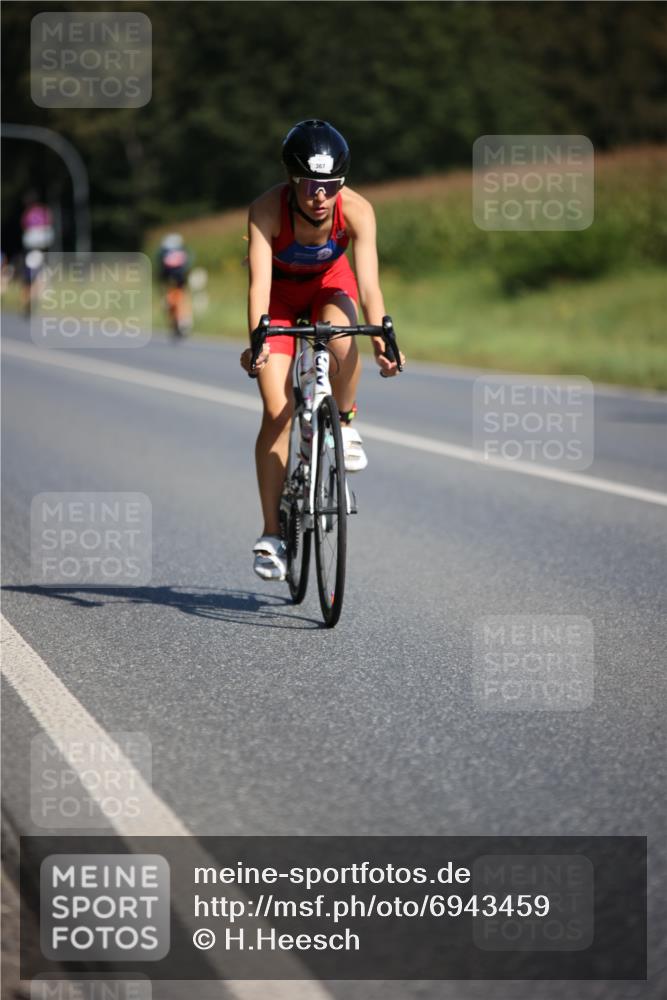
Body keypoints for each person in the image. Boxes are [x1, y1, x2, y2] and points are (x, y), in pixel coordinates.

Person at [240, 119, 405, 581]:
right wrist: (257, 341)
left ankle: (345, 422)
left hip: (329, 287)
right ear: (293, 180)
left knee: (340, 335)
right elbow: (258, 287)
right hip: (278, 295)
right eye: (311, 184)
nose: (320, 195)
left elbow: (368, 283)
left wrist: (382, 339)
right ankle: (272, 534)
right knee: (277, 410)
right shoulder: (266, 211)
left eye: (330, 184)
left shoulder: (356, 210)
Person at [156, 233, 192, 336]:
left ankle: (179, 320)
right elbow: (188, 264)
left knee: (170, 300)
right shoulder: (183, 251)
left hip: (170, 280)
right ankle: (183, 320)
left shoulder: (164, 252)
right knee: (181, 298)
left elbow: (161, 270)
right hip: (180, 280)